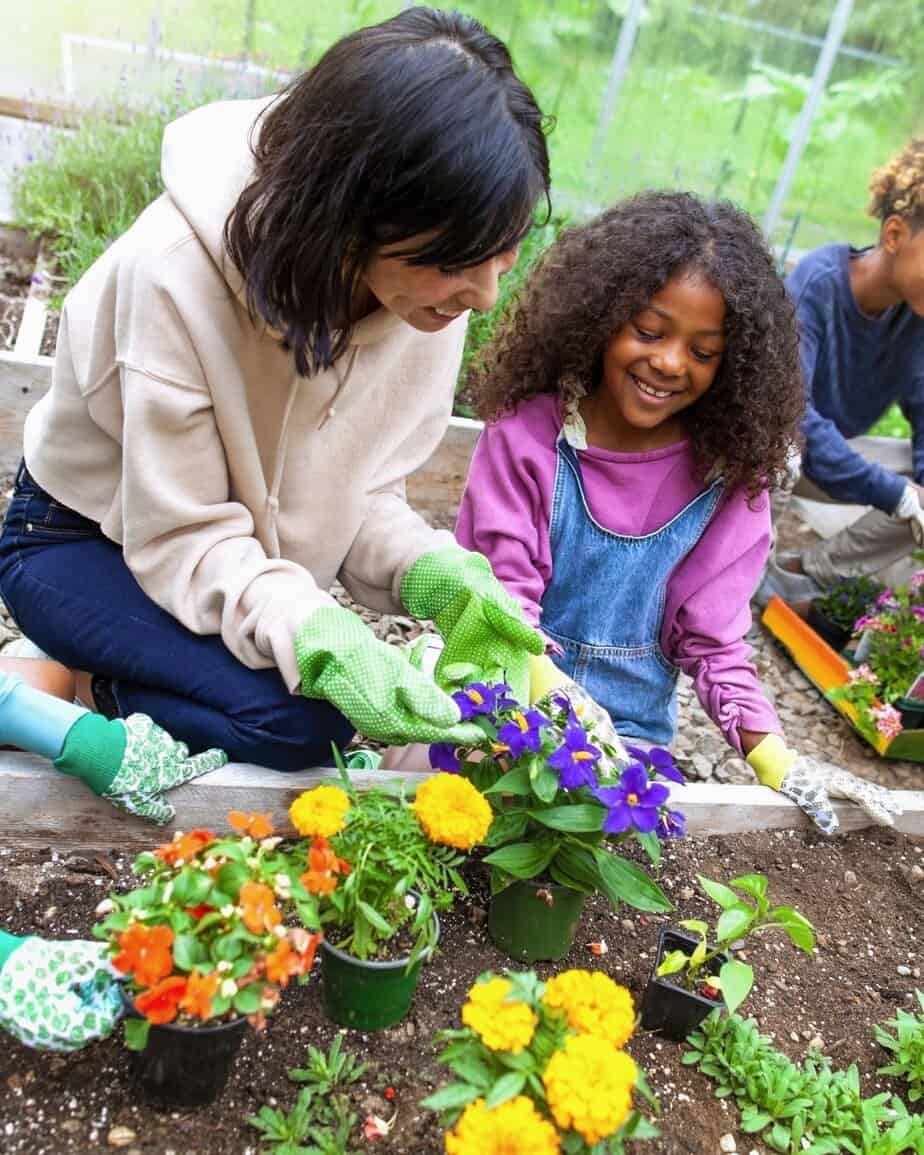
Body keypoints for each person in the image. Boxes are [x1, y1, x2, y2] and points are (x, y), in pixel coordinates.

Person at [0, 8, 548, 773]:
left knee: (309, 717)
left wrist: (428, 569)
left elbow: (357, 493)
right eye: (459, 259)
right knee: (299, 729)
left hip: (227, 551)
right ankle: (66, 678)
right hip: (87, 539)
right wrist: (315, 628)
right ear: (350, 214)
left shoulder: (426, 293)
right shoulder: (174, 273)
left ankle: (105, 667)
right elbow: (184, 535)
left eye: (505, 250)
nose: (487, 294)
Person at [455, 190, 902, 834]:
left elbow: (715, 643)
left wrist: (778, 761)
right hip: (503, 707)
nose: (668, 363)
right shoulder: (530, 437)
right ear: (601, 316)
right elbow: (501, 607)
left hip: (629, 745)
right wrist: (554, 706)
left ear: (734, 364)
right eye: (649, 331)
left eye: (703, 351)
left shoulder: (728, 477)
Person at [758, 136, 924, 605]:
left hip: (835, 461)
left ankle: (804, 572)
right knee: (781, 446)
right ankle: (741, 566)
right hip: (778, 453)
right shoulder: (818, 283)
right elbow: (794, 417)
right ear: (893, 235)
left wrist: (914, 495)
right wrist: (896, 495)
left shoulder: (917, 317)